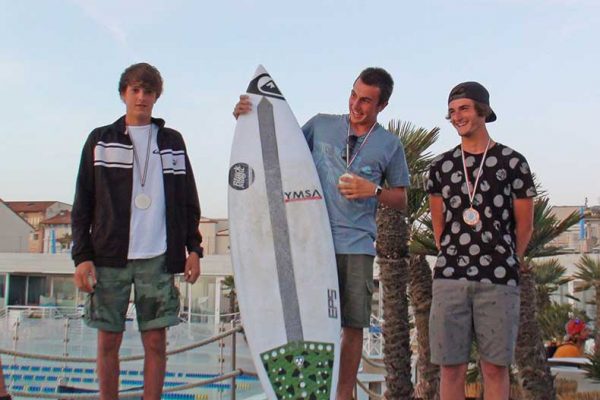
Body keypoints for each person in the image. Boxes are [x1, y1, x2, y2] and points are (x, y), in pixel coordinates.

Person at [234, 67, 409, 399]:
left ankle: (342, 395)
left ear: (382, 106)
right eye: (354, 95)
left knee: (352, 325)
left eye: (366, 101)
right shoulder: (321, 124)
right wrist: (246, 119)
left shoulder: (389, 144)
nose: (356, 105)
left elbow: (401, 199)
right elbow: (279, 149)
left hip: (355, 244)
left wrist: (372, 190)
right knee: (306, 319)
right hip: (309, 241)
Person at [71, 62, 203, 400]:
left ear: (157, 96)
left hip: (158, 255)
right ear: (123, 94)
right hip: (109, 256)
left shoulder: (172, 141)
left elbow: (188, 199)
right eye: (135, 90)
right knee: (108, 340)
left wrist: (194, 249)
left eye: (148, 91)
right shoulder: (100, 140)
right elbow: (83, 202)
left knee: (156, 342)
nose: (141, 97)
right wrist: (82, 256)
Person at [426, 81, 536, 400]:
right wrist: (453, 254)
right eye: (451, 111)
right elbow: (438, 226)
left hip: (498, 279)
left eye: (464, 109)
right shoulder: (440, 167)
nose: (457, 117)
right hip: (450, 278)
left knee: (495, 369)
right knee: (450, 368)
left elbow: (525, 225)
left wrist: (508, 258)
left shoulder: (513, 162)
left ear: (482, 112)